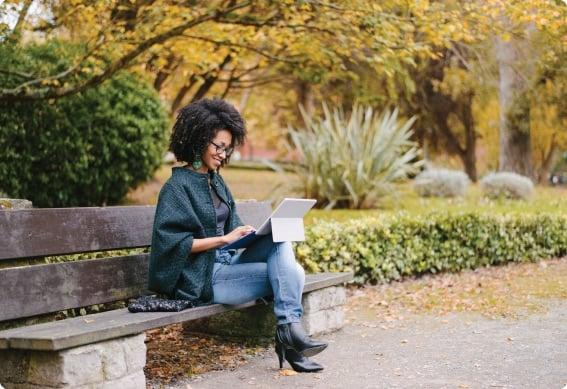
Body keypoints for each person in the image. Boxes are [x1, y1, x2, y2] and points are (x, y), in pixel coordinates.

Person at [148, 98, 327, 372]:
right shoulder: (176, 188)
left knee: (279, 238)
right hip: (203, 278)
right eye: (217, 146)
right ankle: (289, 339)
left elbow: (233, 225)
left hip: (228, 262)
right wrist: (223, 240)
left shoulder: (216, 181)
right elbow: (170, 245)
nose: (222, 153)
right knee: (295, 275)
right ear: (198, 139)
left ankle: (288, 332)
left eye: (227, 148)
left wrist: (250, 234)